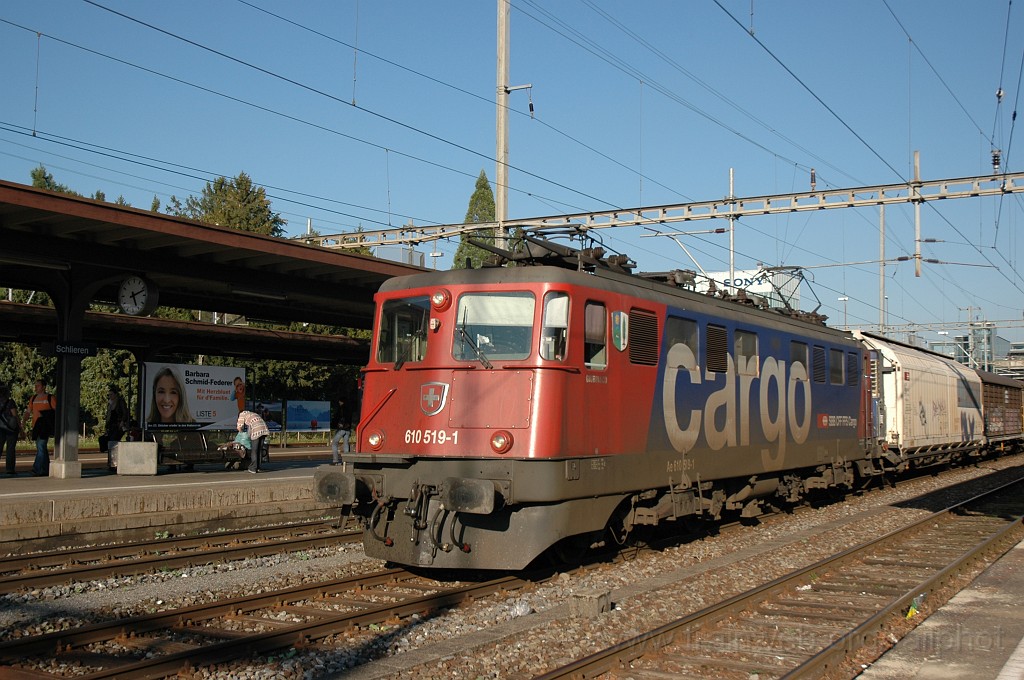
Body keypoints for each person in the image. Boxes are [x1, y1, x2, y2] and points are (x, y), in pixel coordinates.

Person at [24, 379, 56, 477]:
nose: (36, 387)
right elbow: (28, 411)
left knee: (41, 446)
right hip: (36, 426)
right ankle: (45, 469)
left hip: (45, 426)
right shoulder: (33, 398)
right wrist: (23, 421)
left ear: (43, 387)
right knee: (41, 448)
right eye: (35, 386)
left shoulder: (50, 398)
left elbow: (56, 411)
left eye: (38, 386)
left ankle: (37, 469)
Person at [236, 409, 269, 473]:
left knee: (254, 450)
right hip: (264, 430)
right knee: (259, 450)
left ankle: (253, 468)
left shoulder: (242, 414)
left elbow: (239, 427)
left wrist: (241, 434)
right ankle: (258, 467)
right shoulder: (253, 414)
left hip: (257, 431)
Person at [102, 386, 130, 458]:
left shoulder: (120, 401)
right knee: (110, 441)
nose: (110, 396)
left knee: (114, 440)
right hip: (111, 426)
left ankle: (115, 457)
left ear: (115, 394)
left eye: (111, 394)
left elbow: (125, 412)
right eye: (109, 395)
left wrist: (122, 421)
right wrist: (106, 427)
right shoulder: (110, 403)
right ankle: (112, 457)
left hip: (118, 425)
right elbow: (108, 416)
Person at [0, 384, 20, 475]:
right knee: (10, 449)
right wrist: (20, 427)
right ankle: (10, 469)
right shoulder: (10, 402)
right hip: (11, 429)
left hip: (0, 428)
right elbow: (15, 415)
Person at [331, 396, 354, 465]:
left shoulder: (341, 409)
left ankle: (335, 460)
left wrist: (334, 424)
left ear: (342, 402)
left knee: (334, 443)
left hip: (341, 429)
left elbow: (337, 418)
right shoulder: (350, 409)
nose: (339, 402)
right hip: (348, 430)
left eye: (340, 401)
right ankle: (345, 461)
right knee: (346, 444)